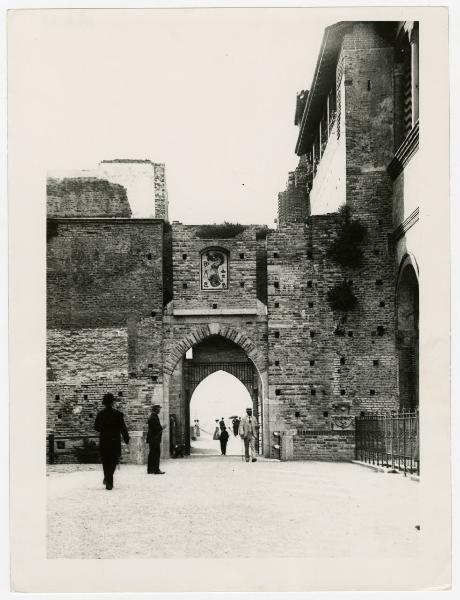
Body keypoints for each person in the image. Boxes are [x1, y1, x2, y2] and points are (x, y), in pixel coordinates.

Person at [94, 392, 130, 490]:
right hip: (114, 441)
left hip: (104, 440)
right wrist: (126, 439)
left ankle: (107, 478)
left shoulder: (100, 414)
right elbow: (123, 428)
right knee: (113, 460)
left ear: (104, 403)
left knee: (105, 461)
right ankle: (109, 480)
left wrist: (104, 430)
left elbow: (96, 427)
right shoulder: (118, 414)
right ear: (113, 402)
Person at [147, 404, 165, 474]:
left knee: (152, 454)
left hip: (153, 439)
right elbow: (155, 429)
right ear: (156, 409)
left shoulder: (153, 416)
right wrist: (162, 427)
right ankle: (156, 470)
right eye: (159, 409)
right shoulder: (153, 417)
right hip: (154, 439)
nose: (160, 410)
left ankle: (150, 470)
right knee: (156, 454)